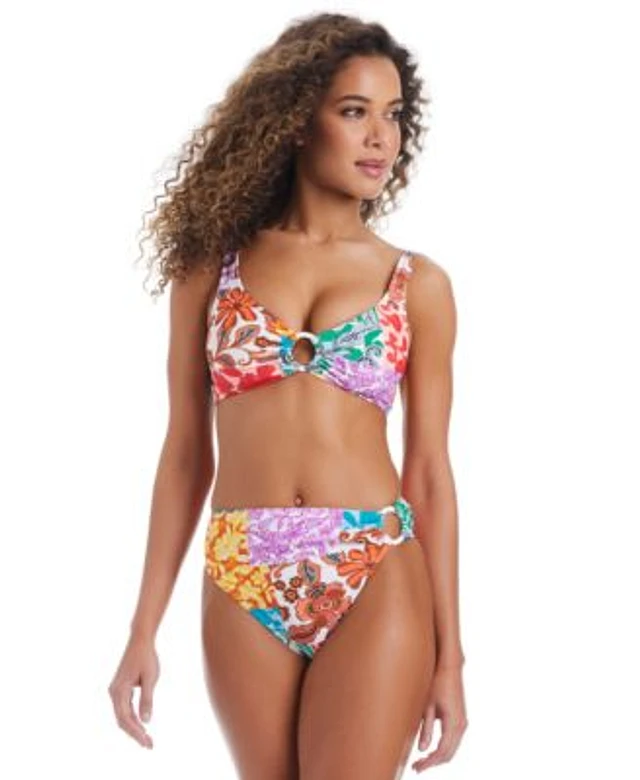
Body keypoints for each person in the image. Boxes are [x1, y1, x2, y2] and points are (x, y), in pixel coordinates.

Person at [108, 11, 467, 779]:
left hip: (374, 563)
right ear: (298, 121)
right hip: (243, 569)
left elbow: (429, 474)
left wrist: (452, 660)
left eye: (394, 115)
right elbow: (184, 455)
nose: (380, 137)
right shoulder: (210, 269)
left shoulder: (418, 284)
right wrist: (142, 630)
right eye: (354, 112)